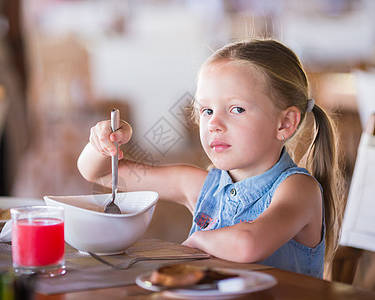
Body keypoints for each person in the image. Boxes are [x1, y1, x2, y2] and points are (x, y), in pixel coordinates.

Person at [77, 38, 345, 278]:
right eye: (206, 110)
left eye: (236, 109)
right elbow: (99, 173)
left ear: (285, 123)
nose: (214, 123)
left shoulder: (298, 189)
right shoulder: (200, 185)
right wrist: (102, 143)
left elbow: (248, 244)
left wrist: (198, 241)